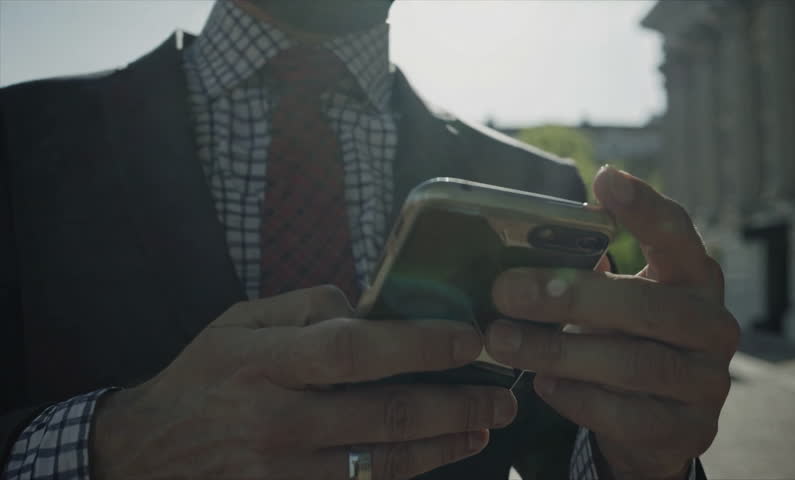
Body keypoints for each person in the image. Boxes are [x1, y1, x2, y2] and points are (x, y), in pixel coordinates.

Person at [0, 1, 739, 479]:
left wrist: (640, 454)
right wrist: (110, 446)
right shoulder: (18, 138)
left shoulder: (530, 182)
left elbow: (558, 447)